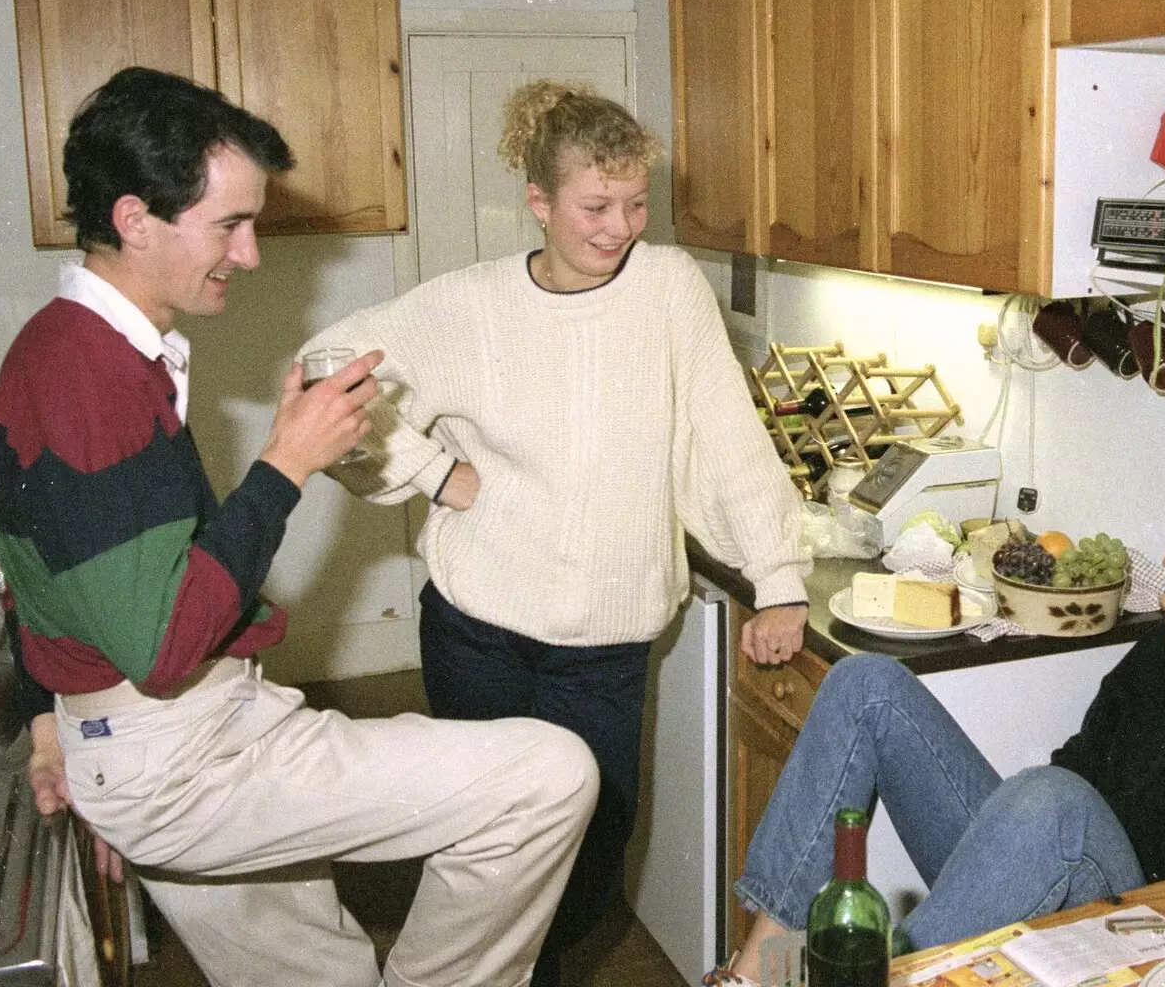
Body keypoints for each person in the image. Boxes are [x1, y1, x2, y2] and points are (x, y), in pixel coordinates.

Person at [0, 66, 598, 987]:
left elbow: (39, 556)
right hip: (180, 753)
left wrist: (53, 720)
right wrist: (288, 463)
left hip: (160, 736)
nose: (250, 254)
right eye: (228, 225)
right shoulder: (86, 375)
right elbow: (161, 644)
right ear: (133, 218)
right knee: (550, 774)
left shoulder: (80, 349)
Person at [300, 79, 812, 985]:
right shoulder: (471, 305)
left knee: (592, 852)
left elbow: (726, 433)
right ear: (539, 202)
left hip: (604, 647)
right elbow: (324, 368)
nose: (620, 227)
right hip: (479, 630)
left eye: (635, 204)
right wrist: (427, 473)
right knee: (482, 856)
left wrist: (778, 575)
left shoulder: (668, 289)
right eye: (595, 205)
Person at [710, 447, 1165, 985]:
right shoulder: (1160, 648)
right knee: (867, 682)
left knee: (1052, 799)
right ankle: (750, 975)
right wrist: (1005, 852)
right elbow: (1081, 766)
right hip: (1060, 876)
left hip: (1159, 923)